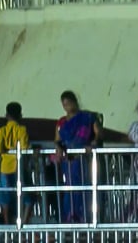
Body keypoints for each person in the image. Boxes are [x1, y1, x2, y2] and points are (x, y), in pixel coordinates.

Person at [51, 92, 100, 224]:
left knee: (84, 187)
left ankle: (85, 218)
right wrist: (59, 148)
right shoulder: (62, 122)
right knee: (70, 187)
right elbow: (57, 140)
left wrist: (93, 143)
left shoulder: (87, 117)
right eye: (64, 104)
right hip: (69, 160)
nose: (66, 107)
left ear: (74, 102)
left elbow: (97, 134)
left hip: (84, 157)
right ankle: (70, 218)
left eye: (68, 103)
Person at [0, 103, 34, 226]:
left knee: (5, 196)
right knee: (26, 195)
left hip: (5, 167)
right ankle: (24, 221)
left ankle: (7, 223)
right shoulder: (22, 129)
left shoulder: (2, 130)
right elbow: (25, 146)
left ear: (6, 115)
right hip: (18, 167)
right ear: (20, 115)